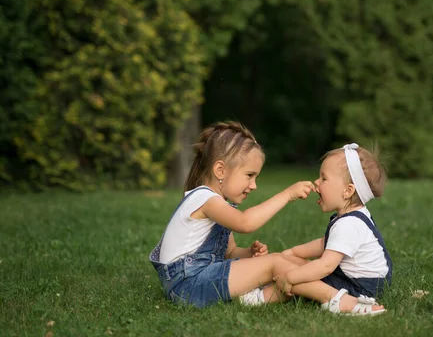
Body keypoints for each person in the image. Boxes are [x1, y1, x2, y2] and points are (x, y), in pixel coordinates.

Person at [149, 122, 384, 315]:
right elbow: (245, 223)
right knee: (276, 264)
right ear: (220, 171)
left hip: (196, 279)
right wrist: (287, 194)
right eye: (249, 176)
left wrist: (247, 254)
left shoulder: (217, 203)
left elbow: (229, 253)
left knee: (278, 263)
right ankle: (341, 302)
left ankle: (264, 296)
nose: (253, 185)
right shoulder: (205, 199)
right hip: (187, 285)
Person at [275, 143, 392, 312]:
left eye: (324, 178)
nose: (317, 182)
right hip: (365, 282)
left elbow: (325, 266)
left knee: (298, 277)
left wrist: (289, 277)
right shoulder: (353, 216)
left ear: (347, 191)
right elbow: (326, 243)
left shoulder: (349, 224)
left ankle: (342, 302)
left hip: (359, 288)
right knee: (292, 263)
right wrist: (294, 253)